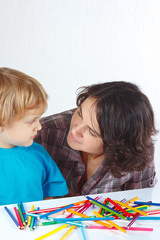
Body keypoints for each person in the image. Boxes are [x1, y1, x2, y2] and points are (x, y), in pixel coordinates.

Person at [35, 81, 157, 196]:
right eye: (80, 113)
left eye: (92, 131)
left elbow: (140, 204)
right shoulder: (42, 133)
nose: (76, 130)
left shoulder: (137, 151)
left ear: (116, 142)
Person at [0, 67, 68, 205]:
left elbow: (49, 196)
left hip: (34, 225)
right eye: (31, 121)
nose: (39, 127)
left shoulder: (39, 154)